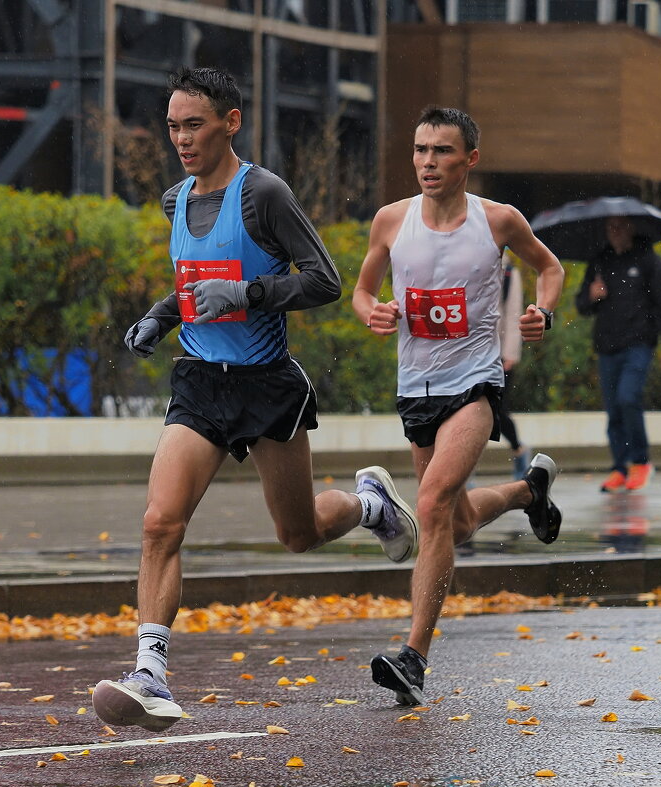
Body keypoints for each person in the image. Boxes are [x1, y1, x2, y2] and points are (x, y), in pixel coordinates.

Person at [92, 67, 420, 733]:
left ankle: (368, 504)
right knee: (160, 521)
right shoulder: (173, 199)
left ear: (230, 121)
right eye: (174, 126)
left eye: (194, 125)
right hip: (201, 383)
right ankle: (150, 670)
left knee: (297, 534)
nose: (182, 138)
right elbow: (193, 280)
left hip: (268, 385)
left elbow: (324, 279)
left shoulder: (263, 193)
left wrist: (248, 296)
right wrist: (162, 315)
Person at [352, 106, 565, 706]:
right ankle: (529, 492)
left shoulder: (497, 221)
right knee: (457, 521)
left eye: (442, 151)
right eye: (420, 150)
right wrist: (371, 311)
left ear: (469, 159)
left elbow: (551, 268)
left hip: (474, 385)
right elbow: (363, 290)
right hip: (414, 387)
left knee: (432, 502)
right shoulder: (391, 221)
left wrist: (541, 313)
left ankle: (413, 658)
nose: (428, 162)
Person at [576, 215, 661, 493]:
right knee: (614, 411)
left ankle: (641, 462)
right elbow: (581, 305)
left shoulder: (648, 261)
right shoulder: (599, 261)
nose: (615, 231)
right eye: (611, 227)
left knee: (628, 397)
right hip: (607, 346)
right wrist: (592, 295)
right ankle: (619, 467)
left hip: (639, 343)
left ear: (631, 228)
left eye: (620, 226)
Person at [498, 248, 531, 480]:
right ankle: (463, 477)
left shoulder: (509, 274)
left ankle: (519, 450)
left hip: (498, 354)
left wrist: (509, 354)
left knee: (496, 411)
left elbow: (513, 314)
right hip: (468, 354)